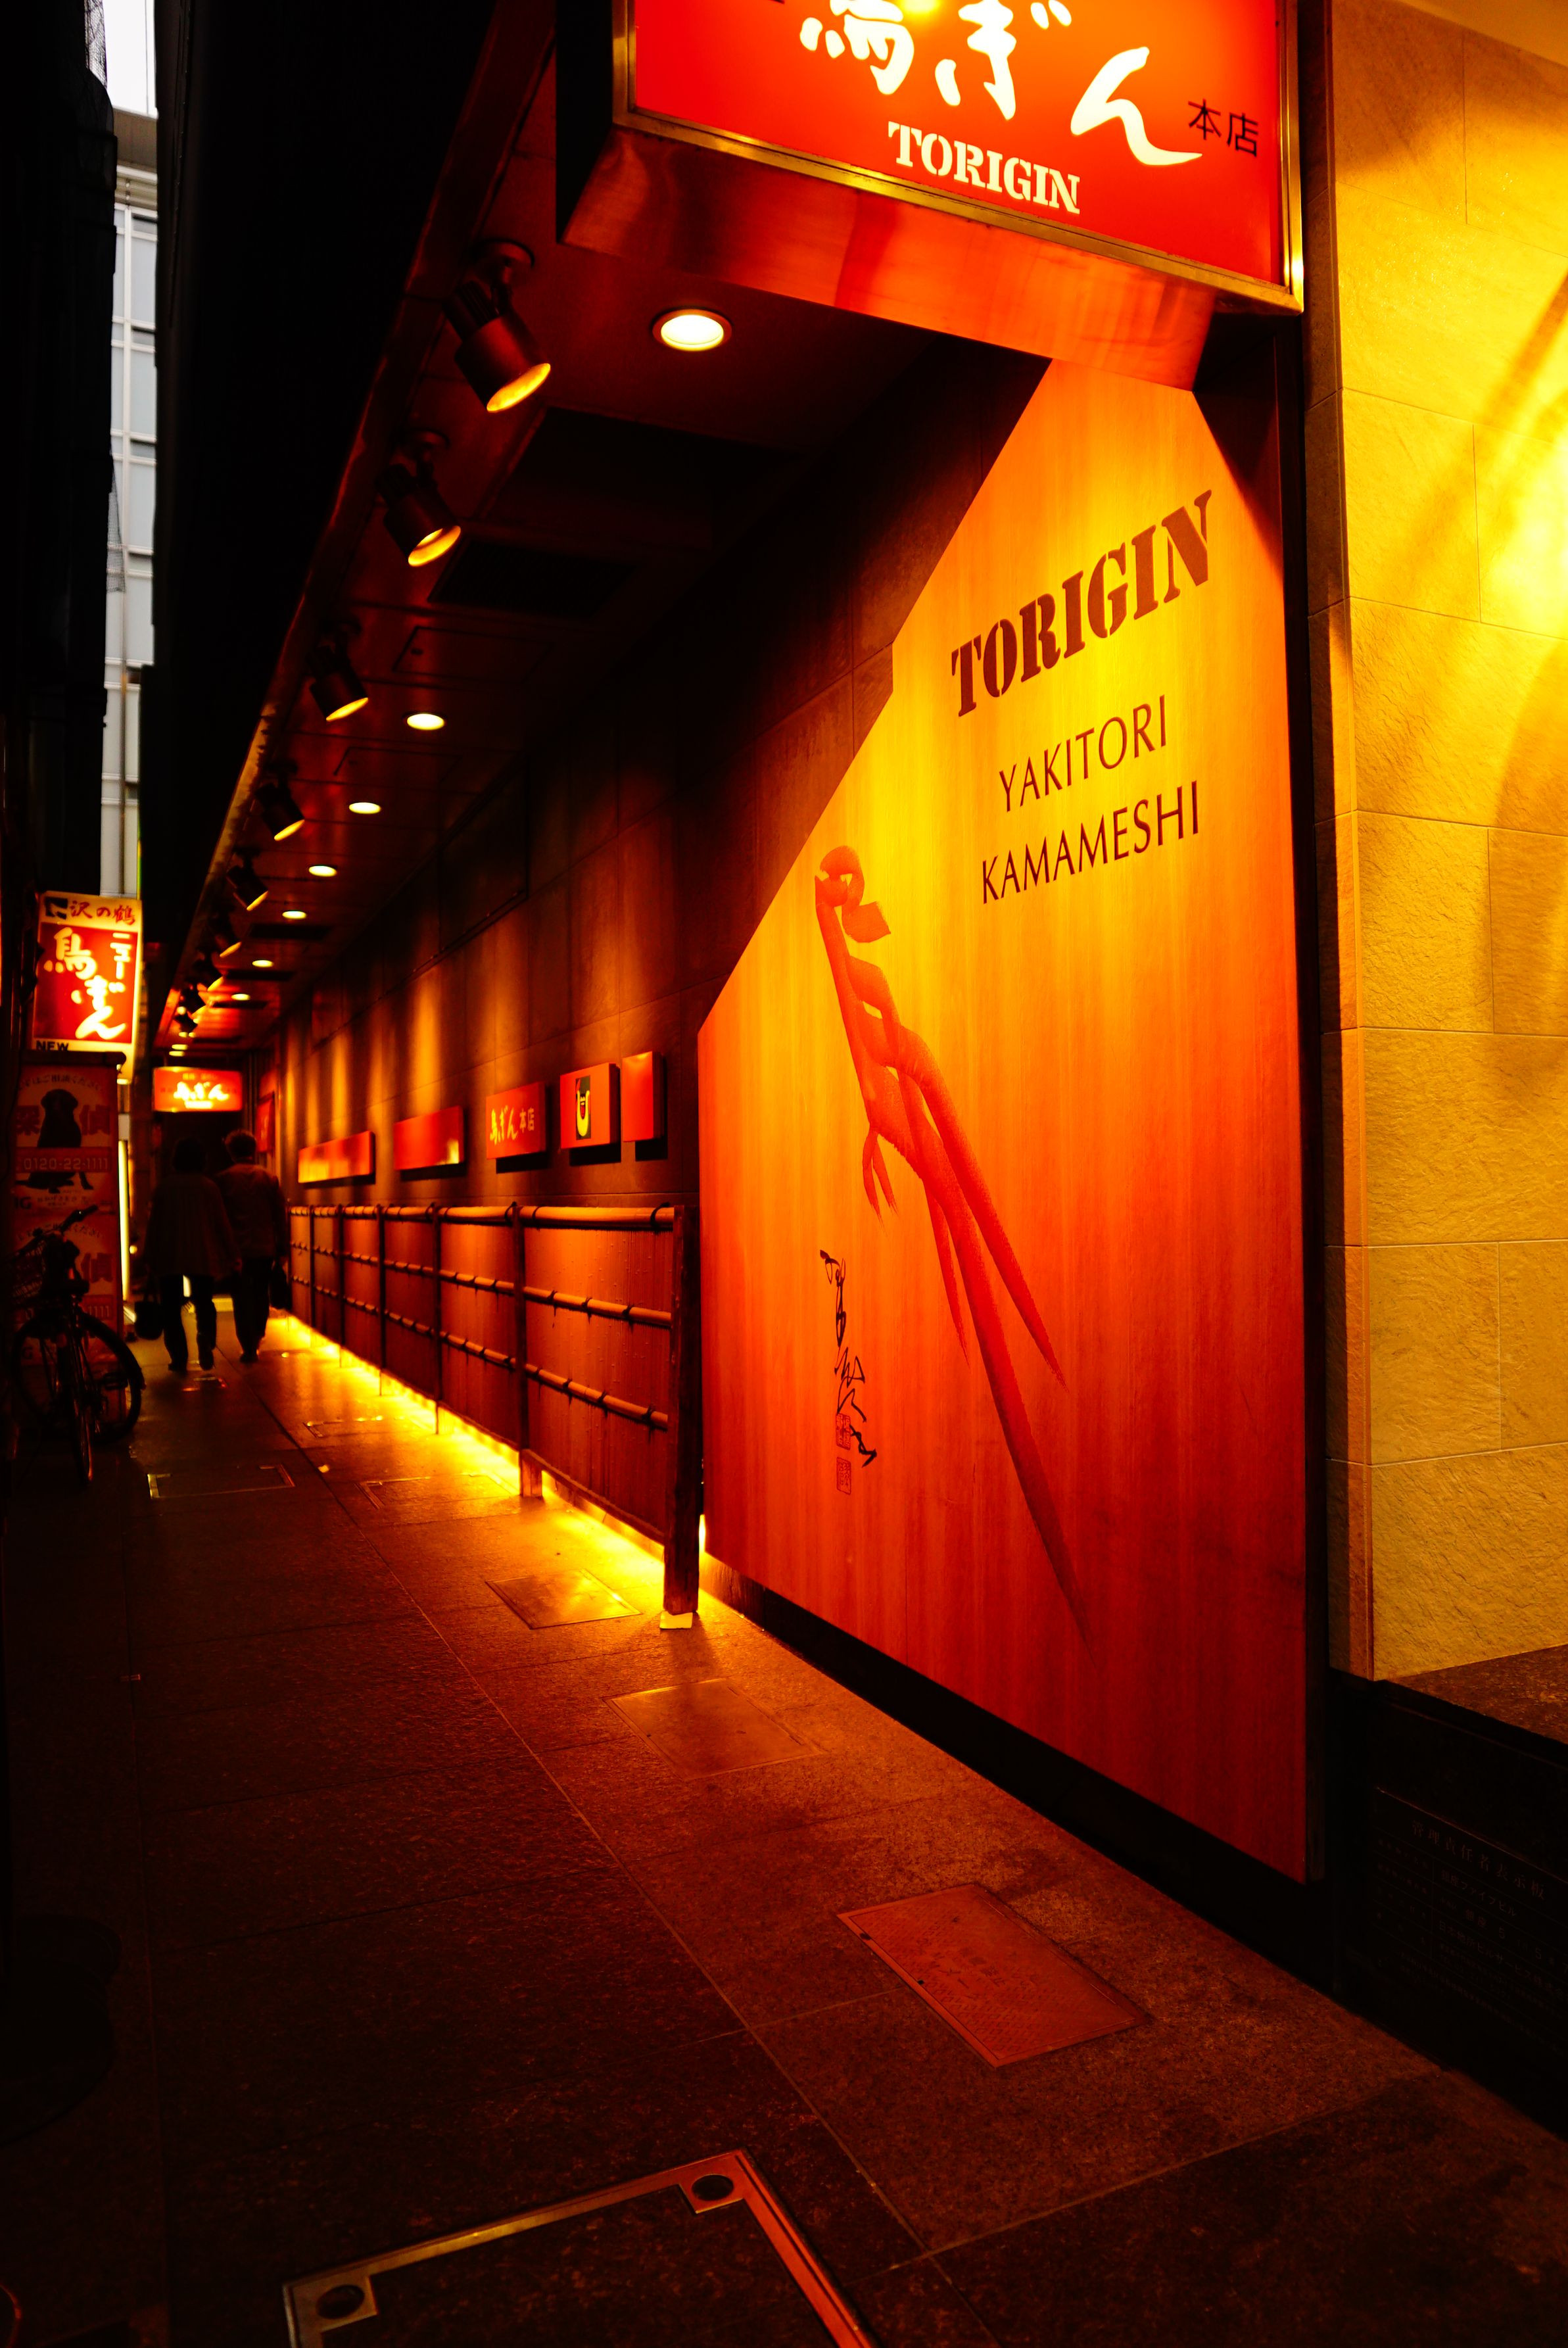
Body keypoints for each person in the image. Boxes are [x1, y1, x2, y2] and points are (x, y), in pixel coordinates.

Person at [142, 1138, 241, 1372]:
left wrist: (149, 1257)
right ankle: (206, 1339)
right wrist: (233, 1254)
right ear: (201, 1160)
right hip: (202, 1254)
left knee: (171, 1309)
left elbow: (155, 1225)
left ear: (176, 1160)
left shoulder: (164, 1188)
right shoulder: (209, 1187)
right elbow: (222, 1224)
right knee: (204, 1302)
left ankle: (178, 1358)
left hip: (170, 1255)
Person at [216, 1128, 289, 1362]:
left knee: (240, 1298)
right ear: (253, 1150)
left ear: (231, 1152)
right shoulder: (269, 1179)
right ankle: (257, 1335)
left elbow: (219, 1218)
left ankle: (247, 1343)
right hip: (264, 1248)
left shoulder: (223, 1180)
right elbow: (280, 1216)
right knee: (260, 1294)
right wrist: (283, 1248)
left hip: (236, 1250)